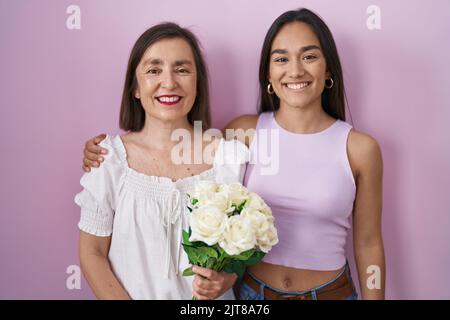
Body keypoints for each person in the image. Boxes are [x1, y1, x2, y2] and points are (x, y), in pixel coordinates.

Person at [82, 8, 386, 300]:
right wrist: (104, 154)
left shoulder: (359, 149)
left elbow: (369, 244)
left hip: (329, 293)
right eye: (281, 58)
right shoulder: (244, 135)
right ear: (268, 72)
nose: (295, 70)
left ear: (328, 67)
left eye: (309, 56)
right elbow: (175, 146)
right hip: (253, 295)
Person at [74, 22, 248, 300]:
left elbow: (243, 251)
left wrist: (227, 278)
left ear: (197, 83)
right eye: (154, 70)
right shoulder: (109, 159)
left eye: (182, 69)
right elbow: (92, 252)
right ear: (135, 88)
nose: (169, 82)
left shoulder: (229, 158)